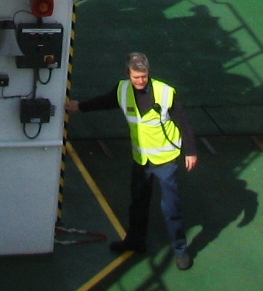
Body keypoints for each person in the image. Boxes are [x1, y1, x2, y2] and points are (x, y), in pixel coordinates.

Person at [66, 52, 198, 270]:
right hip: (141, 160)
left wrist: (190, 151)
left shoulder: (165, 93)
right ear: (128, 74)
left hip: (165, 160)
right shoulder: (122, 90)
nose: (140, 81)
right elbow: (104, 101)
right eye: (136, 77)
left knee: (171, 208)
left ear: (148, 73)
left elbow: (184, 122)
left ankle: (180, 250)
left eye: (144, 76)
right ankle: (135, 241)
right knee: (137, 203)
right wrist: (79, 106)